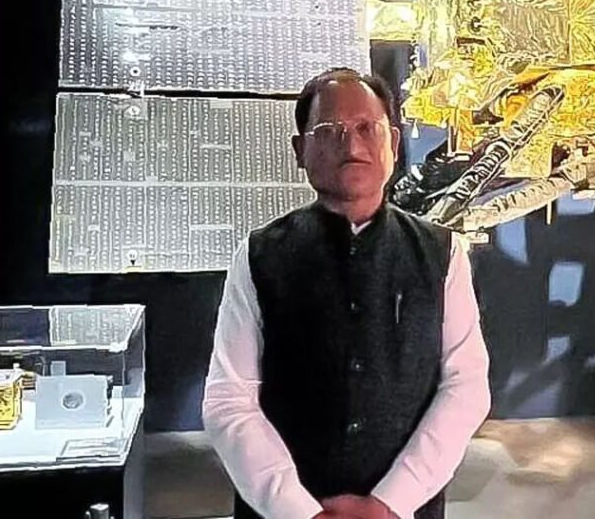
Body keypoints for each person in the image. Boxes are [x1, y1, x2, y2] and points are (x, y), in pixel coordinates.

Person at [203, 68, 491, 519]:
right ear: (300, 150)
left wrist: (390, 501)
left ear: (393, 143)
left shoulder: (442, 253)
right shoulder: (260, 255)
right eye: (329, 131)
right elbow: (229, 399)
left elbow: (466, 387)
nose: (352, 145)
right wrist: (299, 509)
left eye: (366, 128)